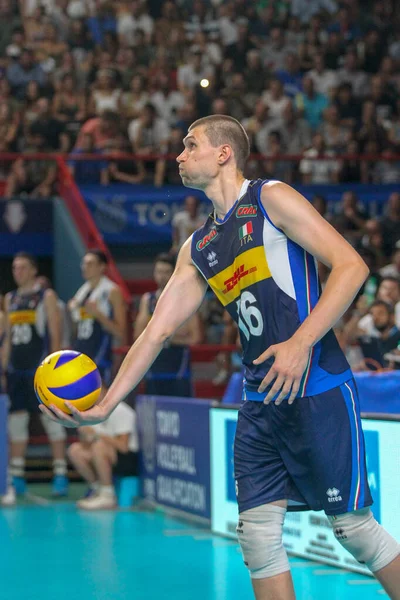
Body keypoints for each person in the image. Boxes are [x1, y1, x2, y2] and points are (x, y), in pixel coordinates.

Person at [40, 115, 400, 600]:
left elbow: (352, 266)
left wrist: (301, 342)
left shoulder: (271, 198)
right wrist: (103, 407)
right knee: (256, 538)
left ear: (224, 153)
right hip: (258, 403)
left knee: (354, 530)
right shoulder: (199, 246)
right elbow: (156, 332)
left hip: (317, 387)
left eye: (191, 145)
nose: (180, 155)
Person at [1, 253, 68, 505]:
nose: (17, 271)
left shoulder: (45, 296)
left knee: (51, 421)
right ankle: (17, 476)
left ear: (33, 270)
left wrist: (55, 370)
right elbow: (7, 337)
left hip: (40, 369)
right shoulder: (11, 299)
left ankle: (60, 474)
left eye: (22, 267)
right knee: (17, 422)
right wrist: (4, 368)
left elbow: (55, 333)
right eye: (15, 268)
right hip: (17, 372)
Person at [133, 253, 202, 397]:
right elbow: (138, 334)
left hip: (178, 369)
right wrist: (170, 335)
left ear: (174, 273)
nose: (162, 276)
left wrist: (165, 337)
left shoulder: (187, 299)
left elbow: (195, 337)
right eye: (159, 272)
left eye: (166, 272)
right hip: (153, 368)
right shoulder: (148, 300)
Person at [68, 250, 127, 390]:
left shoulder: (112, 291)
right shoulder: (82, 293)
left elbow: (121, 332)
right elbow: (78, 329)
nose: (84, 267)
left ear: (102, 267)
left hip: (100, 356)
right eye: (84, 263)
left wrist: (99, 315)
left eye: (90, 263)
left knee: (99, 402)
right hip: (81, 354)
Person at [67, 401, 139, 510]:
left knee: (99, 446)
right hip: (107, 455)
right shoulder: (92, 409)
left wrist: (97, 434)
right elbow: (87, 443)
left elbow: (123, 447)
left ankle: (107, 496)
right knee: (75, 450)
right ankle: (97, 489)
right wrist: (85, 433)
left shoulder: (120, 410)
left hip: (129, 459)